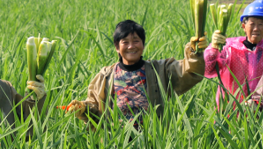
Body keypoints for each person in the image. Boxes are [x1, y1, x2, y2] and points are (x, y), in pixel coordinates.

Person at [66, 20, 205, 127]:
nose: (131, 46)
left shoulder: (160, 70)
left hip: (152, 145)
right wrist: (83, 108)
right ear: (117, 47)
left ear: (143, 45)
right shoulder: (106, 75)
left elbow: (190, 71)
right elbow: (95, 108)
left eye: (136, 41)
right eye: (125, 42)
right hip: (116, 144)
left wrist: (195, 51)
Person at [204, 0, 263, 110]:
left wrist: (260, 103)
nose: (256, 28)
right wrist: (213, 47)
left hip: (259, 113)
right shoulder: (228, 48)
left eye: (261, 24)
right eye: (252, 24)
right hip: (229, 112)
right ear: (243, 26)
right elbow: (207, 70)